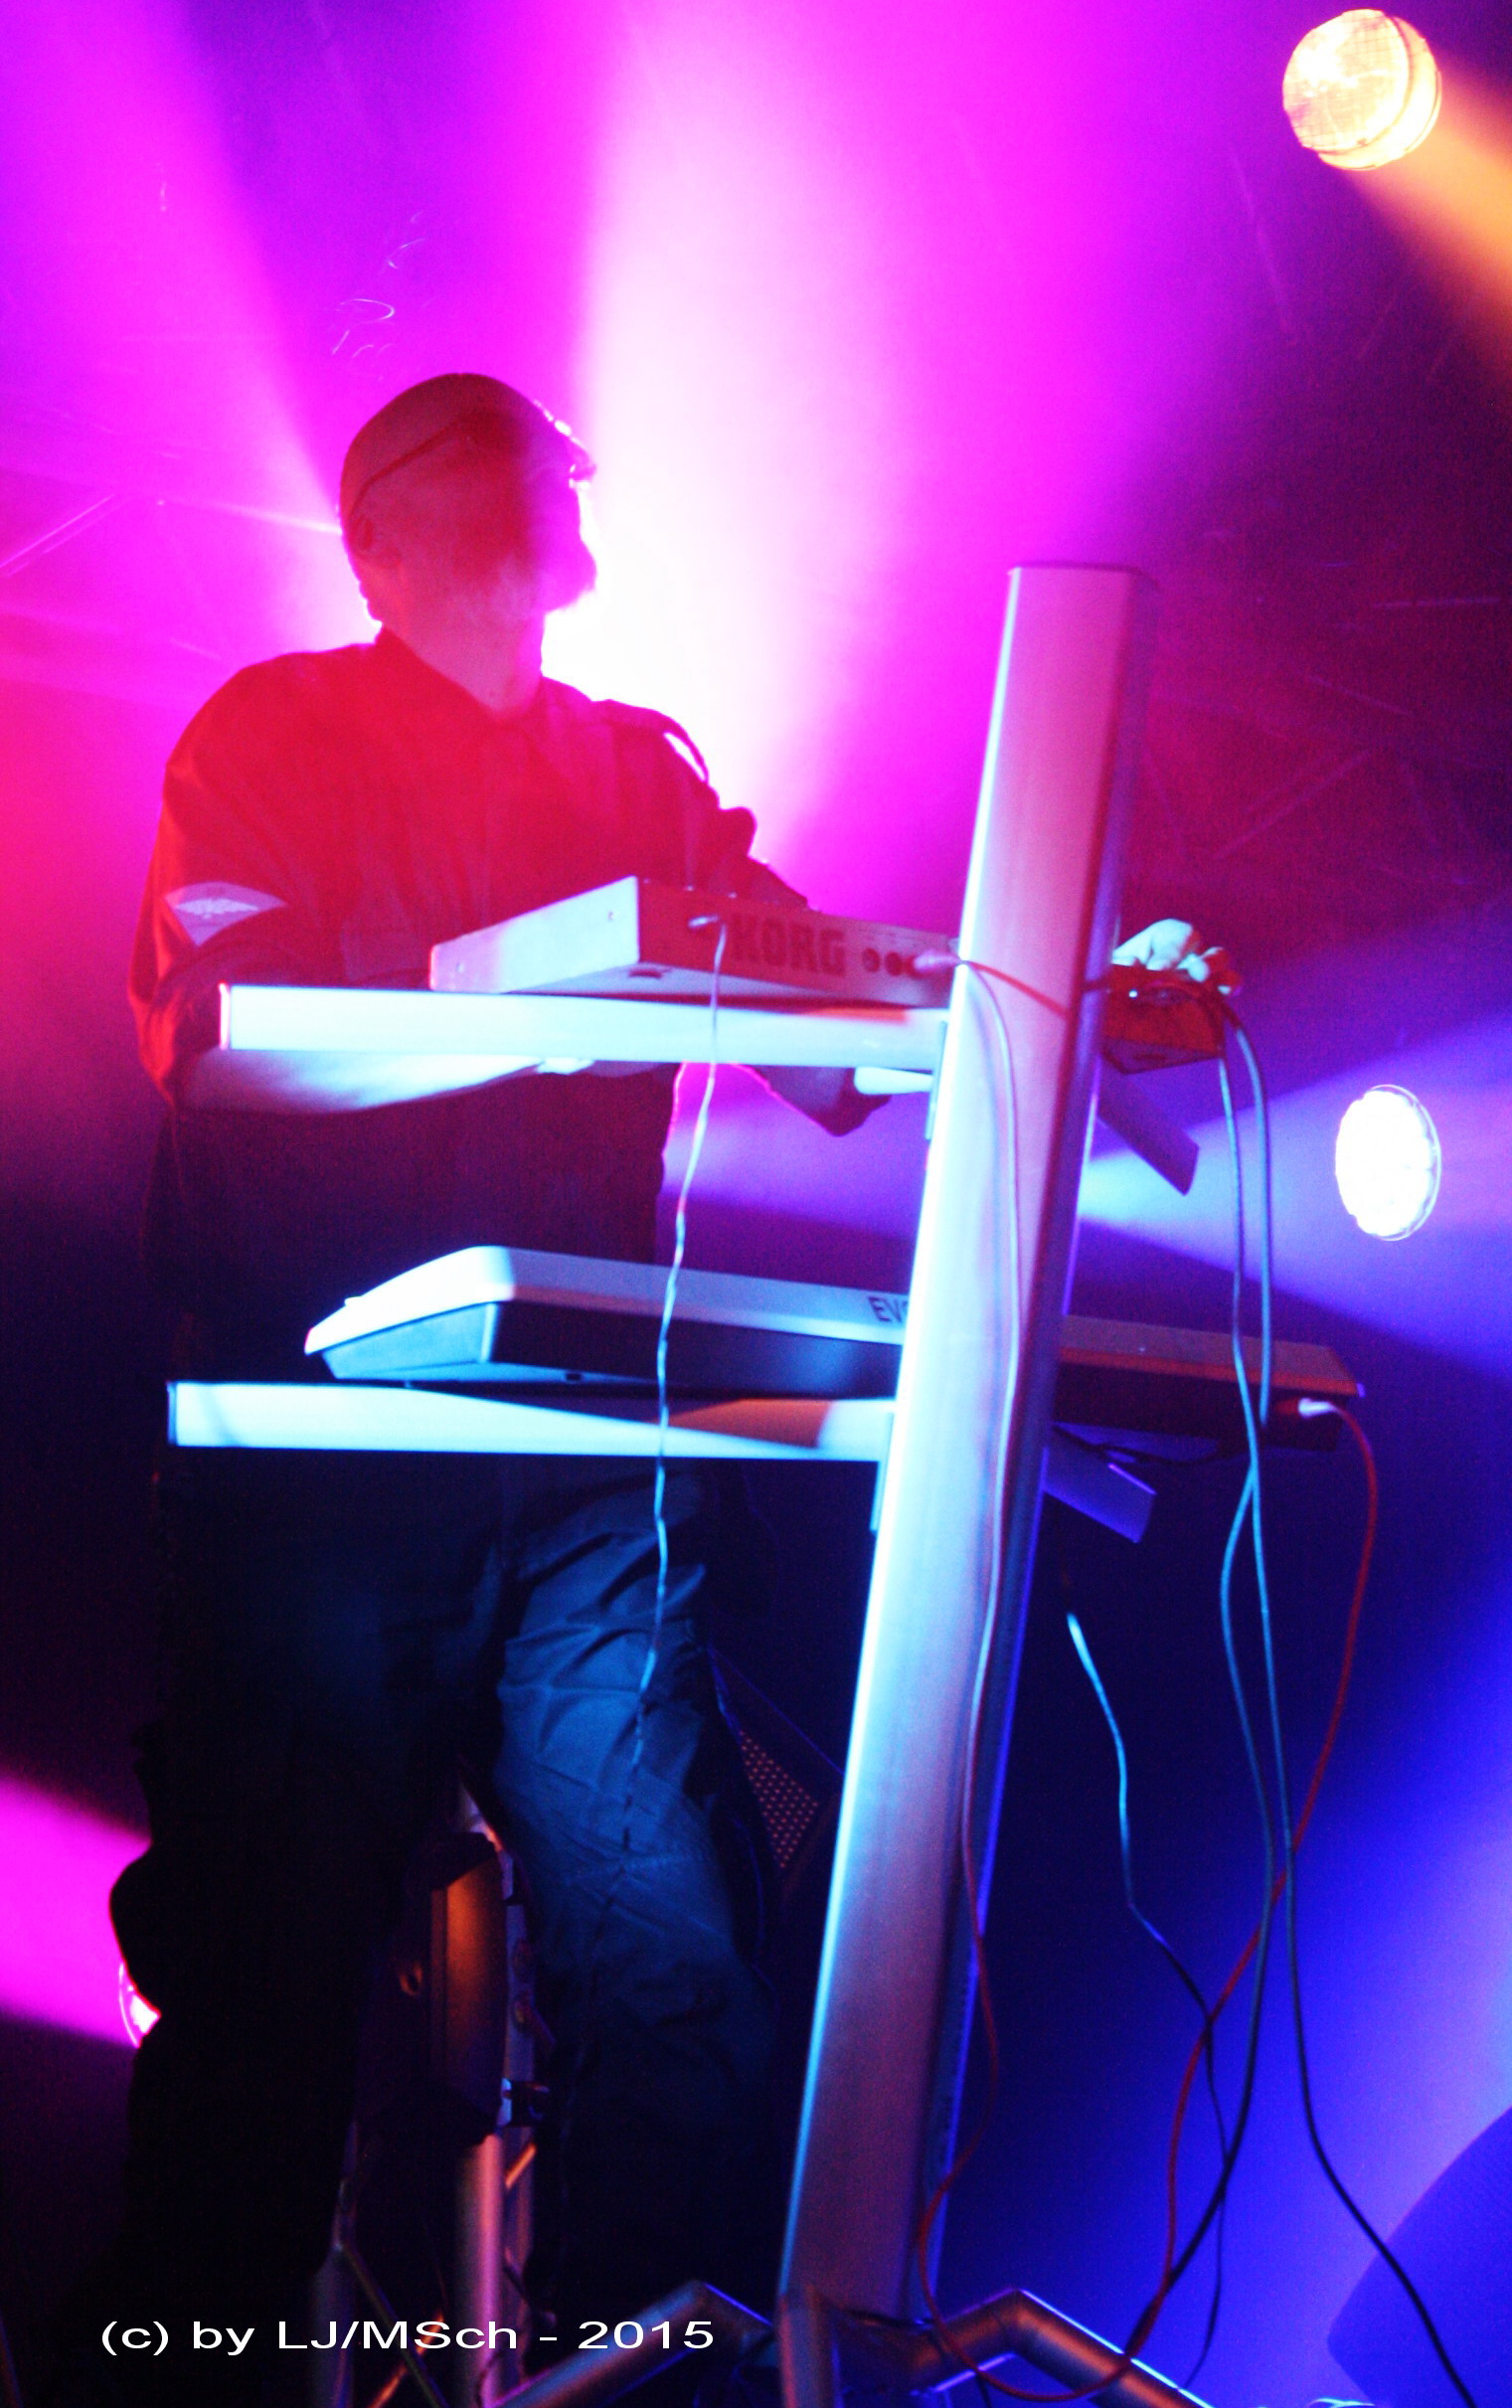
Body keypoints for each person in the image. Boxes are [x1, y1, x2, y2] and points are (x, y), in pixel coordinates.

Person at [60, 374, 879, 2408]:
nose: (540, 505)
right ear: (381, 540)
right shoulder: (275, 734)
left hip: (587, 1472)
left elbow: (833, 1036)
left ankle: (617, 2381)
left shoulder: (637, 769)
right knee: (265, 2009)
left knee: (675, 1967)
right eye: (490, 480)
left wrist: (1054, 991)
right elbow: (225, 1032)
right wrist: (538, 988)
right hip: (324, 1475)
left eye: (546, 478)